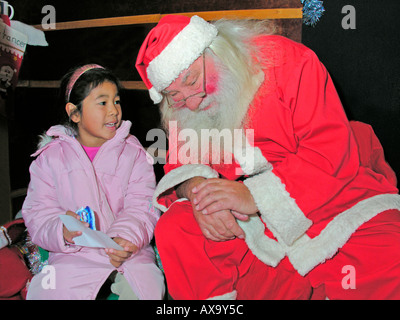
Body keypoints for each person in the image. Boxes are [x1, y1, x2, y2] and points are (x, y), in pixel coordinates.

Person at [135, 15, 400, 299]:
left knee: (387, 252)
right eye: (174, 95)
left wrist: (255, 196)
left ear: (217, 49)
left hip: (322, 192)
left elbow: (329, 149)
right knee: (177, 229)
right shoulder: (183, 103)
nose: (192, 100)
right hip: (243, 217)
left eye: (192, 80)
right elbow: (183, 165)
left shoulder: (290, 61)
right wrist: (201, 195)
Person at [22, 64, 165, 300]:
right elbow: (38, 212)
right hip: (74, 255)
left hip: (128, 252)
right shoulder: (50, 159)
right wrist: (62, 230)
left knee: (145, 289)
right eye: (102, 102)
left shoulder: (134, 154)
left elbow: (143, 204)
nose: (114, 111)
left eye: (116, 101)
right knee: (50, 291)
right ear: (74, 113)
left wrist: (127, 237)